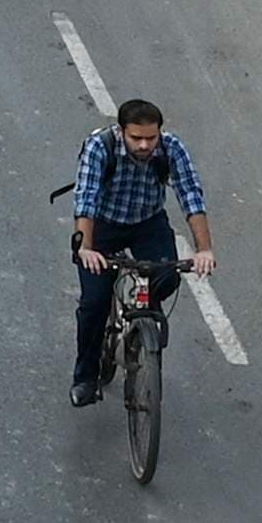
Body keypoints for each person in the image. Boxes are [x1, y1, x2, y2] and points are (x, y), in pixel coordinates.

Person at [69, 97, 216, 407]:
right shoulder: (100, 147)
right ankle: (85, 377)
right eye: (137, 138)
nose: (145, 145)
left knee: (168, 277)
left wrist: (204, 250)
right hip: (103, 226)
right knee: (94, 303)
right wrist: (86, 249)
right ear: (122, 131)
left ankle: (143, 321)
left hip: (147, 222)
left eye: (151, 138)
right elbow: (87, 198)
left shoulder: (171, 148)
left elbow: (190, 194)